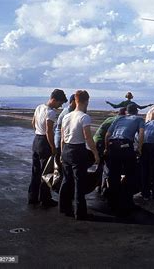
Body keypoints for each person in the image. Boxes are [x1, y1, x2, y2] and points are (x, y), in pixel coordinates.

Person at [59, 90, 99, 220]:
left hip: (66, 149)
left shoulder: (66, 116)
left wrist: (61, 152)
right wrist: (95, 154)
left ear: (75, 100)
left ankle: (64, 207)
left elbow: (62, 138)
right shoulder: (84, 117)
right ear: (87, 101)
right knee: (79, 182)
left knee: (66, 180)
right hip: (78, 150)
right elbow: (88, 138)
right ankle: (80, 213)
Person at [28, 89, 67, 207]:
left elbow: (33, 123)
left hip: (36, 140)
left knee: (35, 172)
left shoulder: (39, 107)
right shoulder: (51, 113)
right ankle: (45, 199)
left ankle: (32, 197)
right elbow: (49, 131)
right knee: (46, 173)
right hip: (45, 142)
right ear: (54, 100)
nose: (60, 106)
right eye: (60, 102)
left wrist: (38, 132)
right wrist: (53, 147)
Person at [105, 103, 145, 214]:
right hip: (126, 146)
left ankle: (112, 202)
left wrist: (106, 148)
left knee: (113, 174)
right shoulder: (139, 119)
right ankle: (127, 202)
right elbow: (141, 133)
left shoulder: (119, 118)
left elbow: (108, 135)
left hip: (113, 145)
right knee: (131, 174)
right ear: (136, 111)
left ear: (127, 111)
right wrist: (139, 148)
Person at [92, 107, 126, 193]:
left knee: (100, 164)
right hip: (101, 141)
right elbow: (109, 135)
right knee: (107, 164)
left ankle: (98, 185)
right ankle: (104, 187)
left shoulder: (111, 118)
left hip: (96, 140)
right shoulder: (118, 121)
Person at [54, 94, 76, 167]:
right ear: (73, 102)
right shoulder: (68, 112)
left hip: (60, 139)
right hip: (60, 140)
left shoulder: (69, 110)